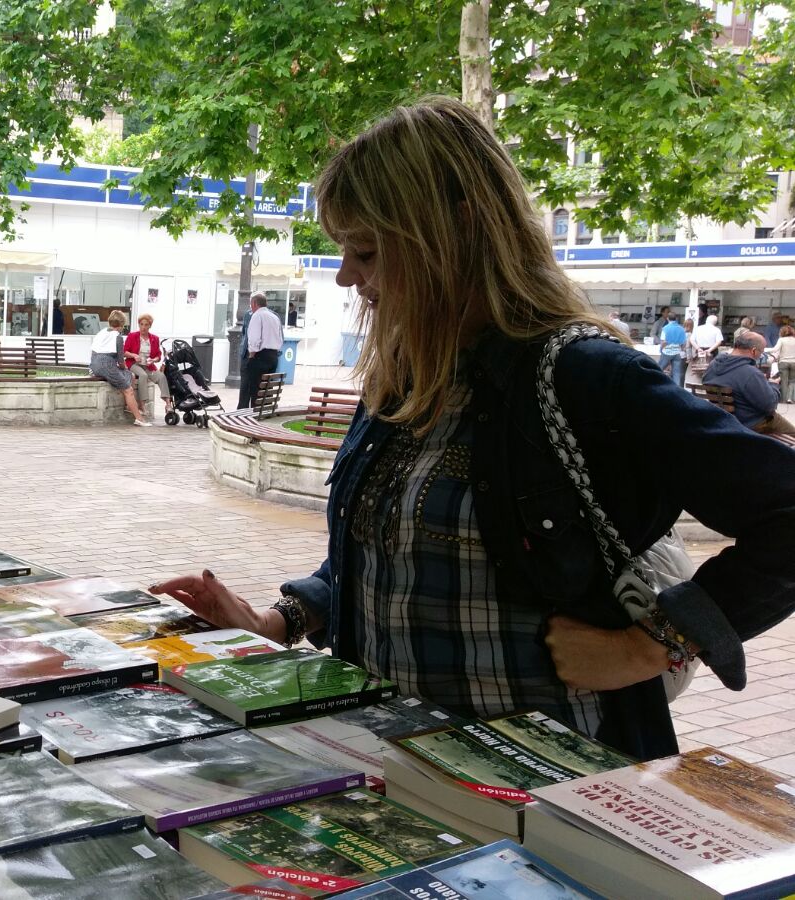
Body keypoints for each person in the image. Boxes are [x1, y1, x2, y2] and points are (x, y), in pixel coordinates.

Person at [150, 97, 795, 762]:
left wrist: (648, 646)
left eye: (366, 251)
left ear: (456, 231)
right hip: (392, 769)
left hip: (545, 786)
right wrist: (280, 619)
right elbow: (394, 553)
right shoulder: (406, 374)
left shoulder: (585, 376)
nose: (347, 276)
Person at [705, 332, 795, 436]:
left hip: (723, 418)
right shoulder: (750, 373)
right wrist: (773, 384)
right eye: (761, 352)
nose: (761, 355)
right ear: (753, 351)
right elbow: (769, 406)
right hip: (751, 423)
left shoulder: (713, 365)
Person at [90, 309, 149, 426]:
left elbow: (93, 352)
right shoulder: (118, 337)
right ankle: (139, 418)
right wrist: (124, 368)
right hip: (107, 365)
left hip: (95, 365)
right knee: (128, 390)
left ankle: (129, 406)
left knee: (131, 375)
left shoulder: (101, 332)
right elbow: (121, 361)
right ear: (122, 324)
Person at [238, 293, 283, 410]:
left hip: (260, 356)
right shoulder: (274, 317)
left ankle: (254, 414)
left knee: (255, 390)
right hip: (273, 356)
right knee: (266, 389)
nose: (251, 307)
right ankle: (265, 412)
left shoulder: (257, 315)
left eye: (251, 304)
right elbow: (280, 338)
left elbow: (254, 338)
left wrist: (251, 355)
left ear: (254, 303)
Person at [123, 313, 172, 419]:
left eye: (146, 325)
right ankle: (142, 405)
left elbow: (158, 355)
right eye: (141, 324)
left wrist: (153, 360)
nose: (143, 327)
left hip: (148, 366)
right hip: (133, 364)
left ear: (150, 326)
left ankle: (168, 404)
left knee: (161, 376)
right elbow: (124, 352)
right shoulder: (132, 336)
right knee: (143, 375)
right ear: (139, 325)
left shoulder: (155, 338)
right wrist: (134, 355)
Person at [690, 314, 724, 382]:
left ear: (706, 320)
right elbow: (719, 342)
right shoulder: (717, 330)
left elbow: (692, 340)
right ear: (715, 322)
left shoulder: (697, 328)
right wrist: (709, 350)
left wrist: (698, 348)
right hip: (712, 350)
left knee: (698, 367)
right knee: (711, 368)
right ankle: (709, 382)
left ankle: (698, 382)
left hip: (699, 350)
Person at [658, 313, 688, 388]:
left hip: (667, 351)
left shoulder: (665, 328)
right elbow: (683, 343)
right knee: (676, 373)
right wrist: (681, 349)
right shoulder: (681, 328)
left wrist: (661, 349)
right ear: (676, 319)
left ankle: (656, 385)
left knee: (659, 369)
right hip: (677, 352)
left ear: (668, 318)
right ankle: (677, 389)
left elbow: (663, 342)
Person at [774, 324, 795, 405]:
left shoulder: (781, 340)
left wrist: (764, 349)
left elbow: (775, 349)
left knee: (784, 382)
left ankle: (783, 400)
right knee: (792, 381)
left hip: (783, 363)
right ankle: (790, 398)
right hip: (794, 363)